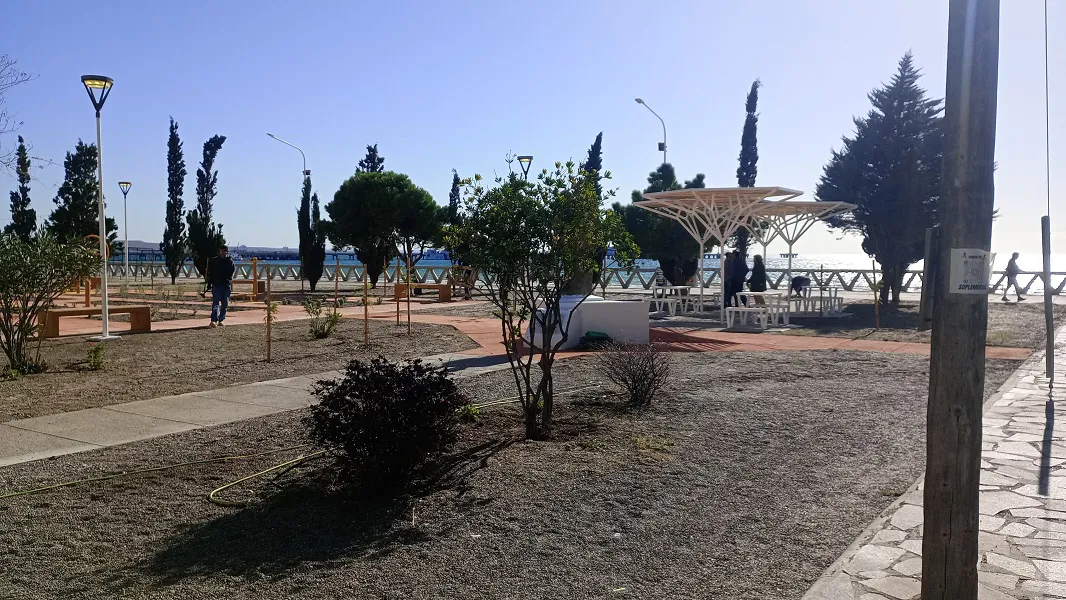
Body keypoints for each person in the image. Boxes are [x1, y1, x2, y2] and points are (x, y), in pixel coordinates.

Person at [208, 245, 236, 327]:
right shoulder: (215, 261)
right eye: (221, 250)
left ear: (226, 252)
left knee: (225, 304)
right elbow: (211, 273)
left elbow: (231, 272)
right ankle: (214, 320)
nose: (223, 252)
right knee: (215, 302)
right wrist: (209, 283)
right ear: (219, 251)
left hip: (225, 285)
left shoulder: (229, 261)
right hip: (216, 284)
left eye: (224, 251)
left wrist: (228, 279)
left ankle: (221, 319)